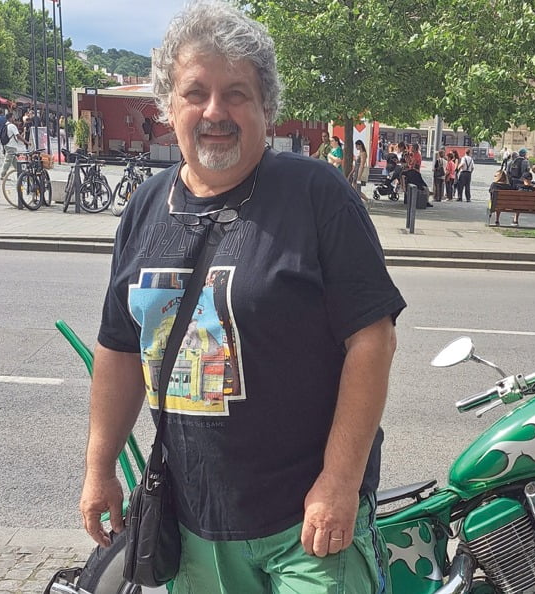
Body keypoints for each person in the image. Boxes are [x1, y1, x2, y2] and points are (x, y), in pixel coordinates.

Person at [79, 4, 405, 593]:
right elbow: (120, 348)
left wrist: (339, 482)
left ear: (265, 109)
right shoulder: (145, 207)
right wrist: (100, 468)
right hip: (193, 524)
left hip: (307, 525)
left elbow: (372, 341)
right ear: (169, 107)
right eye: (195, 93)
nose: (214, 112)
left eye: (236, 94)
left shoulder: (316, 195)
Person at [0, 115, 28, 179]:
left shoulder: (6, 125)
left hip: (7, 144)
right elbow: (18, 136)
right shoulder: (12, 126)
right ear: (10, 118)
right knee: (8, 161)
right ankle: (3, 175)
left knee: (14, 161)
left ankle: (21, 174)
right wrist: (26, 142)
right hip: (11, 145)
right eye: (13, 117)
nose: (14, 119)